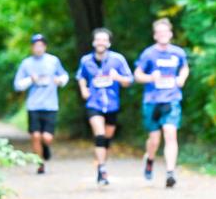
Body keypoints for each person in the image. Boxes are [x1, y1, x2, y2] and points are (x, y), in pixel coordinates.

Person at [134, 18, 190, 188]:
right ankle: (149, 159)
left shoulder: (178, 53)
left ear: (170, 34)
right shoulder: (148, 54)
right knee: (154, 140)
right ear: (155, 36)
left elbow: (184, 67)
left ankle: (170, 172)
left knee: (170, 133)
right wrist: (150, 77)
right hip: (152, 101)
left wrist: (182, 78)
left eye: (165, 32)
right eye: (159, 32)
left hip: (172, 99)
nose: (163, 35)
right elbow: (137, 75)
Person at [75, 28, 133, 185]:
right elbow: (81, 76)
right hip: (94, 103)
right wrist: (84, 89)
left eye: (104, 40)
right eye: (98, 39)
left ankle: (102, 164)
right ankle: (101, 168)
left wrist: (118, 77)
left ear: (109, 43)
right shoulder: (86, 60)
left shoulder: (118, 59)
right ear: (94, 42)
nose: (101, 42)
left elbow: (129, 80)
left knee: (107, 138)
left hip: (112, 104)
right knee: (100, 134)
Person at [12, 34, 69, 174]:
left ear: (45, 47)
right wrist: (30, 80)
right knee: (35, 136)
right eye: (35, 46)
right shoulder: (26, 64)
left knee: (47, 137)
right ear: (32, 47)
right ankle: (40, 163)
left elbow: (64, 76)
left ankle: (45, 147)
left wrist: (60, 81)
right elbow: (17, 85)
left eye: (41, 45)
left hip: (51, 105)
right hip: (33, 105)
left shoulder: (53, 61)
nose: (38, 48)